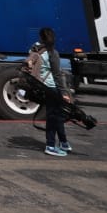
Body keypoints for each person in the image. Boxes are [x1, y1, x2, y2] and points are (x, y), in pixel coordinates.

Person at [29, 27, 73, 157]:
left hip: (42, 86)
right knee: (53, 117)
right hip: (52, 88)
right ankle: (50, 145)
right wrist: (64, 92)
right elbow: (57, 75)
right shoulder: (53, 53)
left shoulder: (36, 50)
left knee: (57, 115)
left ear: (41, 38)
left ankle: (64, 142)